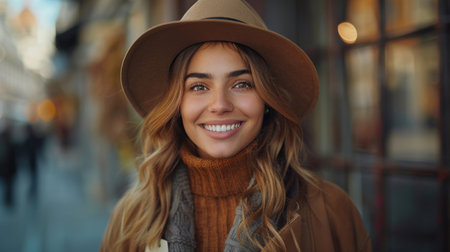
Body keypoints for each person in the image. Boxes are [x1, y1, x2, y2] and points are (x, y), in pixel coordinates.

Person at [101, 0, 372, 251]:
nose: (219, 105)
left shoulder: (332, 212)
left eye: (242, 84)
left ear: (267, 99)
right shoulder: (130, 218)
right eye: (198, 86)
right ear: (177, 105)